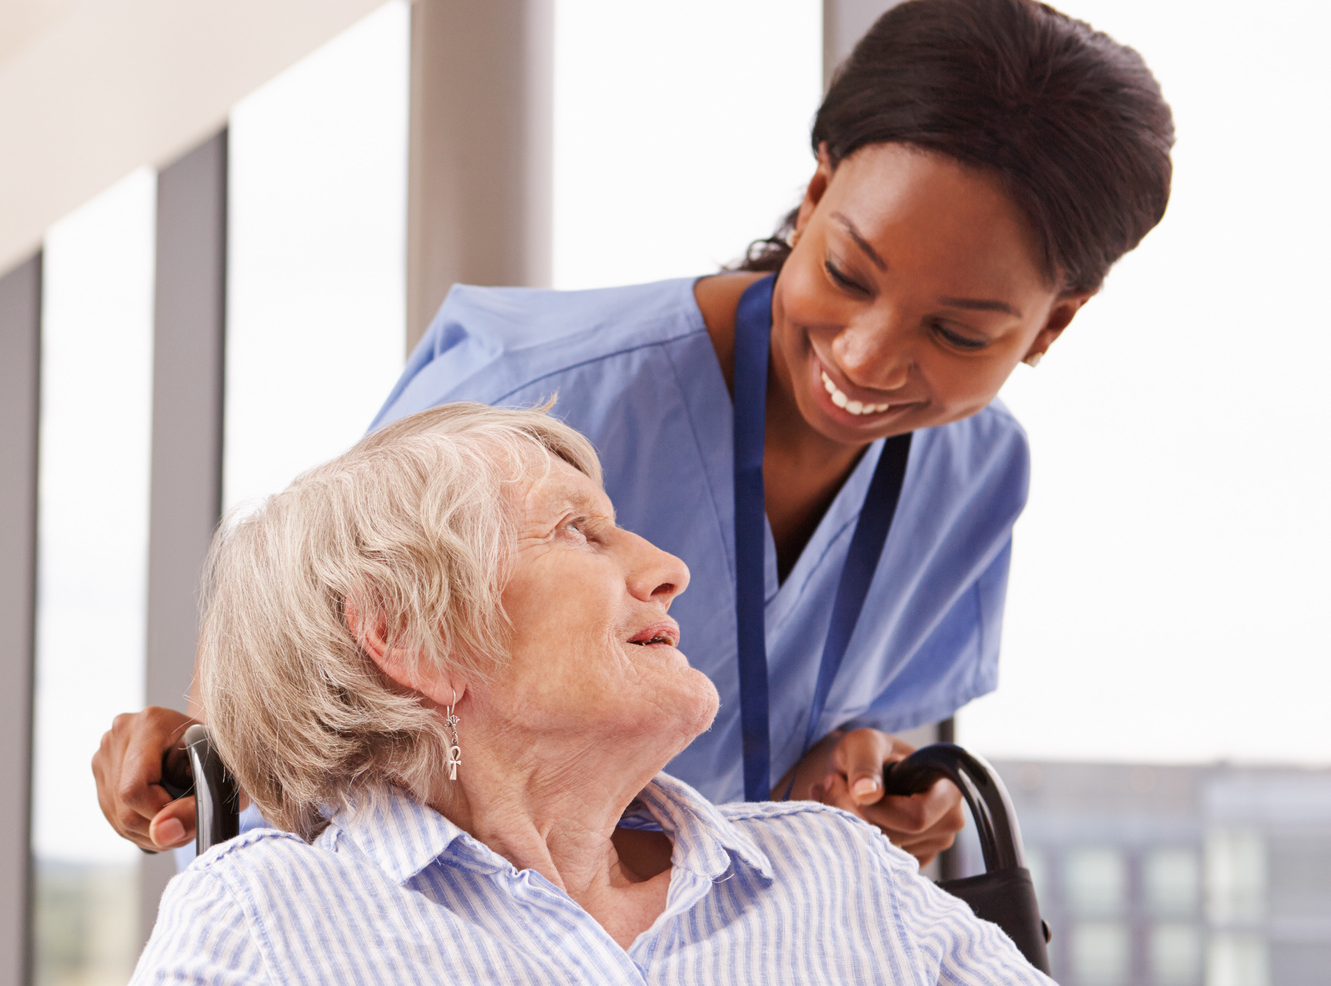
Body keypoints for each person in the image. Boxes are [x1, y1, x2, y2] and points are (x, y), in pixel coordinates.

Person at [0, 405, 1329, 986]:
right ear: (409, 636)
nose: (664, 566)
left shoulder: (841, 880)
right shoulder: (272, 923)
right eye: (579, 535)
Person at [90, 0, 1175, 865]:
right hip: (462, 968)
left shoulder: (978, 476)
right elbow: (299, 697)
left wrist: (863, 771)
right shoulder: (536, 389)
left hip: (729, 985)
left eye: (956, 331)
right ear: (817, 186)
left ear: (1052, 323)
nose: (868, 357)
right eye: (848, 273)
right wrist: (199, 752)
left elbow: (876, 725)